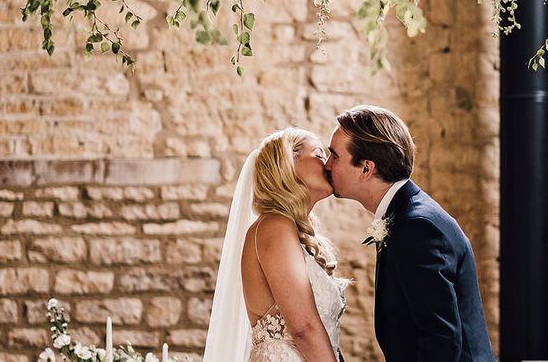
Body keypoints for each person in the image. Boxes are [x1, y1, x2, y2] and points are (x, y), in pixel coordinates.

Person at [326, 105, 496, 362]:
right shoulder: (407, 214)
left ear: (366, 168)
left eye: (334, 156)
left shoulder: (417, 226)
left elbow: (441, 339)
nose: (327, 165)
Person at [203, 127, 346, 362]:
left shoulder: (289, 231)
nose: (329, 164)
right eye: (319, 155)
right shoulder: (274, 226)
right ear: (288, 163)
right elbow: (303, 328)